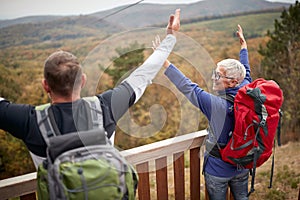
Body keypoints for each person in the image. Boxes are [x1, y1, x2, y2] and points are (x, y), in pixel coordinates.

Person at [0, 9, 181, 169]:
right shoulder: (106, 107)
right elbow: (144, 73)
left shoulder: (28, 122)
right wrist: (170, 37)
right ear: (83, 80)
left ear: (45, 85)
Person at [158, 24, 252, 200]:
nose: (213, 78)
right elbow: (246, 69)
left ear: (232, 82)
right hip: (242, 166)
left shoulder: (216, 105)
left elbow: (188, 87)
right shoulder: (246, 88)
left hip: (218, 170)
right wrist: (243, 46)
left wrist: (164, 61)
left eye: (218, 75)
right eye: (214, 73)